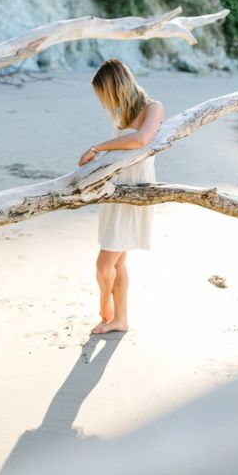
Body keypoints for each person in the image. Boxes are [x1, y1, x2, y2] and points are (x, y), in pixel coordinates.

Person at [78, 58, 164, 334]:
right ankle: (120, 320)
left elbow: (140, 140)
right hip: (116, 192)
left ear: (117, 87)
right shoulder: (123, 117)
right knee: (118, 261)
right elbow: (121, 151)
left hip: (135, 192)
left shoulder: (154, 108)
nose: (106, 102)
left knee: (104, 265)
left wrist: (97, 146)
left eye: (106, 95)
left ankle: (106, 304)